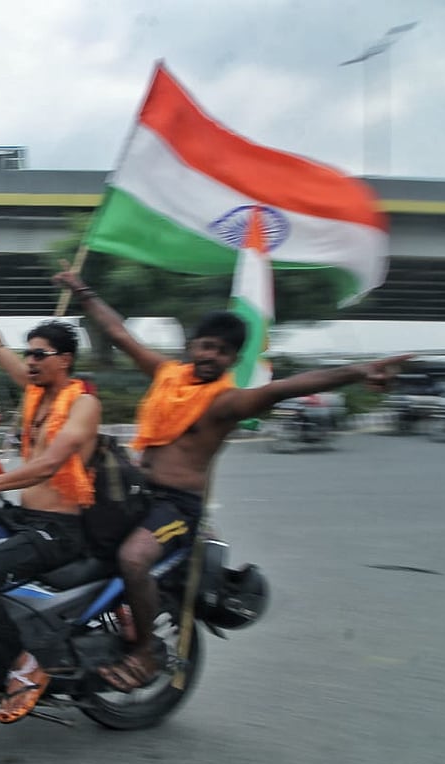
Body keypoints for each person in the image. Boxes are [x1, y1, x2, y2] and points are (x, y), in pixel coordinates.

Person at [53, 268, 409, 692]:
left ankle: (146, 654)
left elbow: (288, 387)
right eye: (205, 345)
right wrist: (83, 290)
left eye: (221, 351)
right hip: (135, 493)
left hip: (177, 507)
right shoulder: (168, 377)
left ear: (233, 360)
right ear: (191, 346)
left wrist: (358, 372)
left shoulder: (227, 401)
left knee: (133, 559)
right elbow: (120, 333)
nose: (210, 355)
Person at [0, 251, 101, 724]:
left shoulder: (83, 406)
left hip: (59, 529)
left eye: (38, 354)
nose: (28, 360)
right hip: (25, 517)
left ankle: (26, 665)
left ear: (63, 361)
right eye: (27, 353)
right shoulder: (33, 391)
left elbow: (47, 466)